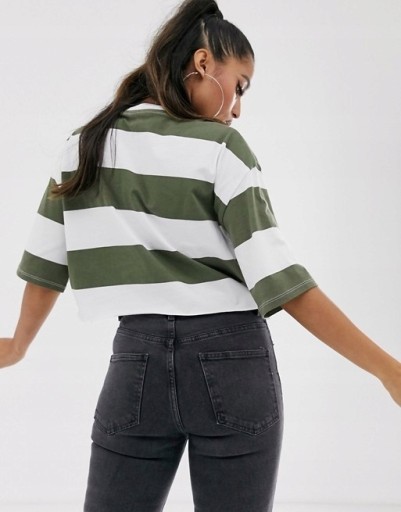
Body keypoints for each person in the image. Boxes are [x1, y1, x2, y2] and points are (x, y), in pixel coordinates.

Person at [1, 0, 400, 510]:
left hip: (136, 361)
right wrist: (388, 369)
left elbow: (46, 263)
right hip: (233, 361)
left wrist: (20, 344)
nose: (238, 110)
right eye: (241, 85)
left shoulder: (84, 146)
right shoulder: (220, 149)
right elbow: (283, 282)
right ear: (204, 62)